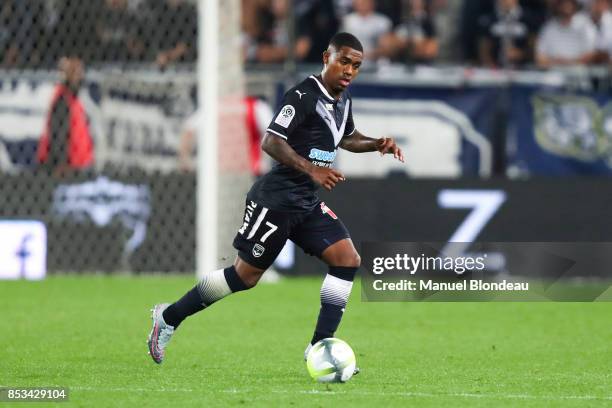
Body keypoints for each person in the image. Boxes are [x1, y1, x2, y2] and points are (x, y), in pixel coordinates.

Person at [147, 32, 403, 367]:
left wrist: (376, 144)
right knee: (243, 277)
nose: (350, 70)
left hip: (306, 202)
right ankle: (169, 316)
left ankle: (319, 347)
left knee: (347, 259)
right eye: (344, 61)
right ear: (327, 57)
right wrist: (311, 169)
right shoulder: (302, 95)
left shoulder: (344, 101)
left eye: (356, 65)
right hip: (276, 200)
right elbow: (271, 141)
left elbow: (348, 137)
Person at [37, 56, 94, 174]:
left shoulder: (73, 98)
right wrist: (61, 164)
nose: (79, 76)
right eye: (74, 73)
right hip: (66, 167)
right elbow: (58, 135)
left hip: (78, 165)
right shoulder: (62, 99)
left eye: (80, 72)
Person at [535, 0, 597, 68]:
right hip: (553, 73)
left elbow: (591, 54)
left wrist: (568, 62)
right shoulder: (548, 28)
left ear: (574, 5)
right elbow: (540, 57)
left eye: (568, 3)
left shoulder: (585, 24)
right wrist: (556, 62)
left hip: (579, 72)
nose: (566, 6)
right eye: (562, 3)